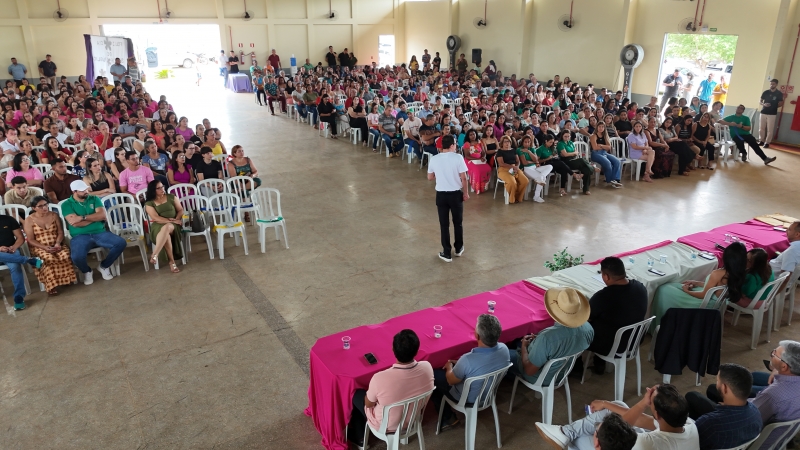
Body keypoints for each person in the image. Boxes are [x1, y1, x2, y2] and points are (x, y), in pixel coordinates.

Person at [536, 384, 699, 450]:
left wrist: (598, 431)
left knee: (580, 439)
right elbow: (641, 420)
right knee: (618, 405)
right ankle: (565, 432)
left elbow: (618, 427)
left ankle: (566, 435)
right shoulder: (689, 423)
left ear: (657, 414)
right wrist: (606, 404)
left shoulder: (648, 443)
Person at [346, 329, 434, 448]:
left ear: (393, 350)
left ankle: (360, 437)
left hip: (385, 426)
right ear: (417, 350)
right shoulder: (427, 367)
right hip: (412, 420)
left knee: (355, 393)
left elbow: (368, 404)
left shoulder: (380, 378)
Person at [432, 314, 510, 430]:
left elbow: (450, 380)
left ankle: (447, 418)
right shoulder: (504, 349)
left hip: (465, 399)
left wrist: (449, 367)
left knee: (433, 375)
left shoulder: (467, 359)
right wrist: (460, 364)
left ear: (477, 335)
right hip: (488, 395)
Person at [508, 287, 594, 387]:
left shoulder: (546, 338)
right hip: (562, 373)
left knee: (504, 353)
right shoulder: (589, 329)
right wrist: (538, 341)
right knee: (518, 342)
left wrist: (524, 347)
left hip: (540, 378)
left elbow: (529, 371)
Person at [651, 242, 747, 330]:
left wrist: (686, 291)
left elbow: (703, 295)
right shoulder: (740, 273)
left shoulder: (718, 273)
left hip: (704, 303)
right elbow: (716, 287)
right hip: (717, 303)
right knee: (674, 285)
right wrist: (696, 282)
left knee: (663, 289)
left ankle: (661, 325)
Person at [581, 257, 647, 375]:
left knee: (580, 327)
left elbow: (586, 318)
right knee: (609, 321)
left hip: (610, 345)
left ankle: (577, 368)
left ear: (606, 276)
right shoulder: (640, 287)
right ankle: (599, 363)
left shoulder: (603, 297)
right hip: (635, 340)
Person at [684, 363, 763, 450]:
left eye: (717, 381)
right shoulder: (756, 413)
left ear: (724, 388)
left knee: (692, 396)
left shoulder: (709, 423)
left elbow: (689, 443)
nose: (716, 383)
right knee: (707, 391)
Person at [61, 180, 126, 285]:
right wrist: (95, 219)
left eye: (86, 189)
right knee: (76, 257)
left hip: (100, 232)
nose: (86, 192)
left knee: (120, 243)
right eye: (82, 191)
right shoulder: (66, 204)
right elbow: (75, 223)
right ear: (74, 191)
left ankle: (104, 266)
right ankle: (87, 271)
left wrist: (82, 218)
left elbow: (102, 216)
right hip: (80, 235)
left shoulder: (94, 198)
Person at [23, 196, 77, 296]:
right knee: (48, 258)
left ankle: (65, 280)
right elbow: (30, 239)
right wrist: (44, 247)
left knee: (65, 254)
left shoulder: (54, 215)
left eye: (45, 204)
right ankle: (51, 285)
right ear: (33, 208)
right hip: (39, 247)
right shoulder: (29, 220)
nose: (44, 208)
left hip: (56, 243)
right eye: (40, 206)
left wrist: (57, 243)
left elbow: (60, 232)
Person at [427, 134, 468, 263]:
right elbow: (464, 178)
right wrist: (465, 193)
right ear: (451, 146)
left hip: (441, 195)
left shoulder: (434, 159)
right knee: (458, 223)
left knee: (444, 225)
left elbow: (430, 177)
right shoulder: (458, 157)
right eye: (455, 144)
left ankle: (446, 252)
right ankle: (458, 248)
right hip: (456, 194)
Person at [0, 211, 43, 310]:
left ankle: (19, 297)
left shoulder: (8, 219)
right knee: (15, 262)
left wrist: (14, 247)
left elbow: (20, 237)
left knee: (15, 266)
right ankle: (28, 260)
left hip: (11, 250)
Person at [143, 180, 183, 273]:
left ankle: (155, 254)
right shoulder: (149, 203)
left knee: (168, 226)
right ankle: (172, 263)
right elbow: (155, 218)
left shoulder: (171, 197)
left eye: (162, 186)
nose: (162, 189)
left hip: (174, 225)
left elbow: (180, 210)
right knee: (166, 234)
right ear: (153, 190)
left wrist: (176, 219)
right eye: (159, 188)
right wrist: (170, 220)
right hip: (158, 225)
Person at [558, 130, 594, 194]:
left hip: (574, 159)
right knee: (582, 160)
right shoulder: (560, 143)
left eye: (568, 136)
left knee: (586, 169)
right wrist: (572, 153)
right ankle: (593, 168)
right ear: (562, 136)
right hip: (566, 162)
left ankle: (586, 189)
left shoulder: (571, 142)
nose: (567, 138)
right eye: (565, 136)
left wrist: (570, 153)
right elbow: (565, 155)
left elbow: (576, 153)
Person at [495, 135, 529, 204]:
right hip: (504, 169)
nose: (507, 143)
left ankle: (517, 197)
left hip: (514, 168)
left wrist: (517, 167)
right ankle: (512, 198)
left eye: (508, 141)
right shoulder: (500, 151)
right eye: (505, 142)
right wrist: (512, 167)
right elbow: (501, 163)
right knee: (512, 182)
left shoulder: (513, 150)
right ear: (502, 143)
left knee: (525, 181)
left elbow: (518, 161)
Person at [588, 123, 622, 188]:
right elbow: (595, 147)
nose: (601, 128)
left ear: (604, 128)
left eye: (602, 127)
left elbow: (609, 147)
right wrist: (604, 146)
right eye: (599, 126)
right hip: (596, 153)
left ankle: (616, 179)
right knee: (607, 163)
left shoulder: (605, 136)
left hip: (604, 153)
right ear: (597, 127)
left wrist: (601, 145)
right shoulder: (593, 136)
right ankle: (610, 180)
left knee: (617, 161)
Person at [759, 79, 783, 148]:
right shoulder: (766, 92)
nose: (771, 85)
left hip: (772, 113)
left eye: (773, 84)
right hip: (763, 112)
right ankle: (761, 140)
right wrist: (763, 104)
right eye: (771, 84)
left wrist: (774, 106)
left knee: (770, 129)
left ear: (776, 85)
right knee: (761, 128)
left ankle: (767, 142)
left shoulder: (779, 93)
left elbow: (781, 103)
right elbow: (760, 101)